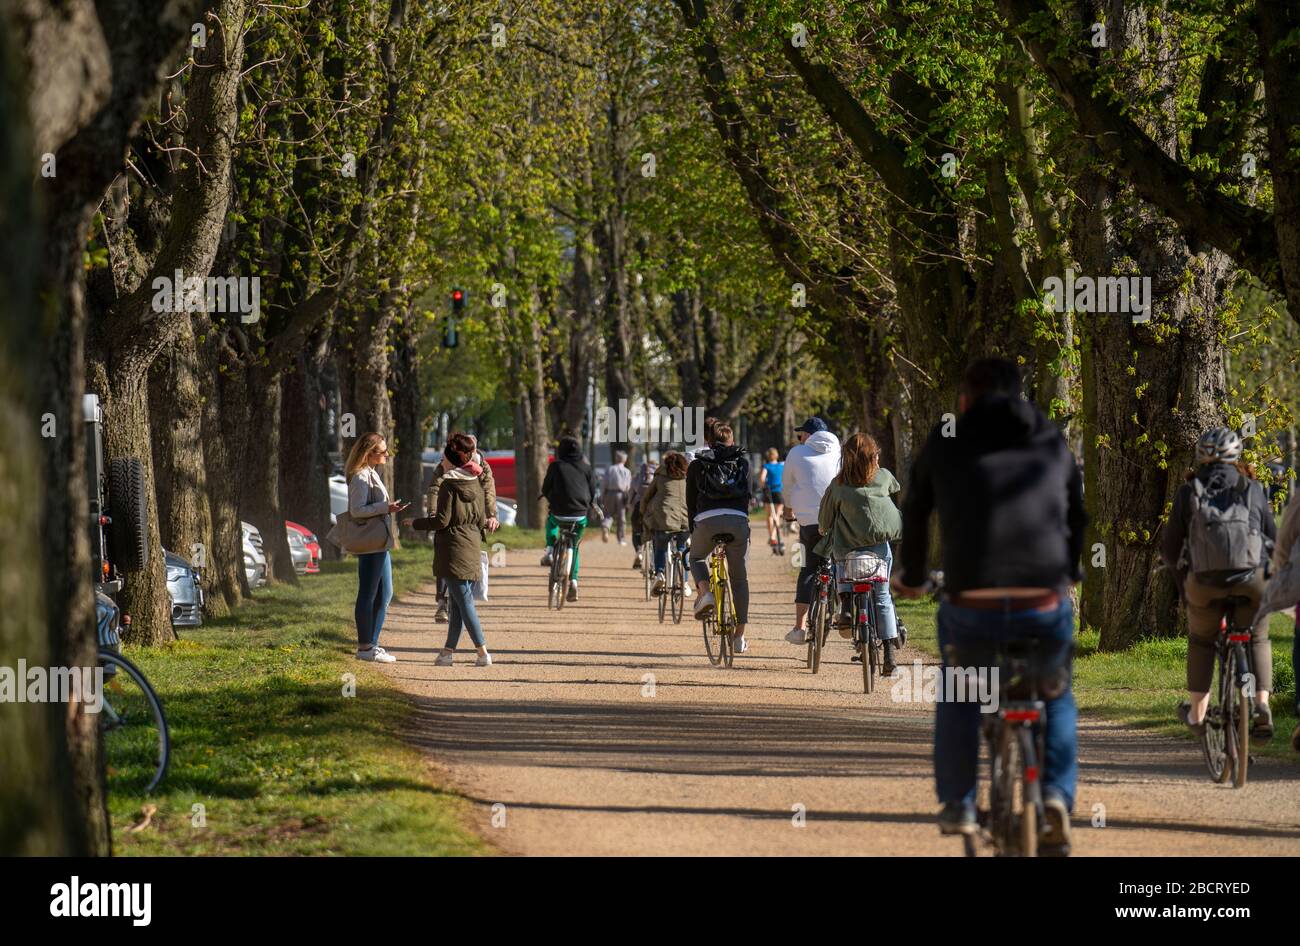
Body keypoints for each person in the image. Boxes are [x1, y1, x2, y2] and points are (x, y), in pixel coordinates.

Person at [893, 358, 1086, 856]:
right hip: (1043, 599)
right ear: (1020, 395)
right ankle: (1055, 799)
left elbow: (915, 509)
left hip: (971, 600)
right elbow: (1077, 511)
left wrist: (912, 577)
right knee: (1056, 693)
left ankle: (957, 801)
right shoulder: (1049, 437)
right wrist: (1071, 572)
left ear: (965, 399)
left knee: (959, 691)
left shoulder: (946, 438)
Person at [1160, 427, 1277, 740]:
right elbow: (1274, 541)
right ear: (1237, 454)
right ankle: (1262, 705)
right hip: (1252, 580)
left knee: (1201, 640)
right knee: (1258, 635)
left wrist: (1183, 586)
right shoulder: (1253, 488)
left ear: (1201, 455)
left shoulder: (1189, 491)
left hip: (1205, 583)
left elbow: (1170, 552)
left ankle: (1197, 715)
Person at [816, 433, 904, 674]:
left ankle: (844, 604)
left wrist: (824, 528)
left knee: (840, 564)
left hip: (848, 550)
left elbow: (825, 520)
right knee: (882, 597)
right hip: (878, 550)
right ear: (873, 456)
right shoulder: (883, 476)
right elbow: (894, 489)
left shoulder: (838, 484)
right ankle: (889, 656)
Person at [407, 433, 492, 666]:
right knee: (456, 604)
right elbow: (481, 516)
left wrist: (416, 523)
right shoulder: (474, 481)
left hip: (453, 550)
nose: (441, 462)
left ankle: (483, 652)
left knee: (464, 604)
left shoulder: (448, 485)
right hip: (472, 546)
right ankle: (447, 653)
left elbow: (441, 521)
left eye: (443, 459)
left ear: (451, 460)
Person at [686, 423, 752, 652]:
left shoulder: (697, 464)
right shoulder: (743, 462)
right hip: (738, 520)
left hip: (706, 520)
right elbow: (749, 495)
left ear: (708, 441)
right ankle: (739, 637)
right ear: (732, 441)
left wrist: (691, 531)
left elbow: (690, 502)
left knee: (695, 558)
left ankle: (705, 593)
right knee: (739, 579)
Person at [345, 432, 405, 663]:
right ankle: (365, 646)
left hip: (379, 541)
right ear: (369, 453)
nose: (387, 454)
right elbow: (356, 510)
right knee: (368, 593)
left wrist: (387, 508)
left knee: (385, 592)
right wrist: (384, 508)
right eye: (382, 451)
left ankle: (372, 643)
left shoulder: (371, 473)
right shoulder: (361, 477)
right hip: (370, 541)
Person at [781, 417, 842, 645]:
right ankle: (844, 611)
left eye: (801, 435)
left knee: (807, 569)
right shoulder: (841, 452)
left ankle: (800, 627)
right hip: (837, 520)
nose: (800, 439)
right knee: (839, 563)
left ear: (808, 435)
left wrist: (788, 510)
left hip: (808, 521)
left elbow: (788, 485)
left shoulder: (797, 453)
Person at [427, 434, 499, 622]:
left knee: (469, 557)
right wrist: (434, 513)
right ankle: (442, 601)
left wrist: (491, 515)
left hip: (471, 516)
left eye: (471, 449)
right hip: (449, 513)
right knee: (444, 556)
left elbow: (488, 490)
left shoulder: (482, 466)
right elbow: (435, 488)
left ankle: (465, 599)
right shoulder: (446, 462)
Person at [541, 435, 601, 602]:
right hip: (580, 516)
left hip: (559, 513)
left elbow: (545, 488)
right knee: (574, 547)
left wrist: (550, 496)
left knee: (551, 522)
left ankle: (550, 551)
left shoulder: (555, 466)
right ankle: (573, 580)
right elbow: (592, 492)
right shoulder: (587, 468)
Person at [641, 451, 690, 595]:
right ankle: (684, 582)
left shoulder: (660, 477)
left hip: (664, 520)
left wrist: (643, 513)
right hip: (685, 521)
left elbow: (646, 497)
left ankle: (660, 573)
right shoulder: (688, 478)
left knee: (660, 547)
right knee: (682, 547)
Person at [628, 456, 658, 570]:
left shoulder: (638, 476)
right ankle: (655, 561)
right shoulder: (659, 474)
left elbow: (631, 492)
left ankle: (639, 551)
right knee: (656, 533)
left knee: (636, 531)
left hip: (638, 506)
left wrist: (629, 504)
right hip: (653, 507)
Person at [601, 450, 632, 545]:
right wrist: (628, 500)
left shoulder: (610, 469)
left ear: (616, 458)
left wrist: (603, 496)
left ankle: (606, 528)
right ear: (625, 460)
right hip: (622, 494)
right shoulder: (627, 471)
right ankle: (621, 539)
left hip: (610, 493)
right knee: (621, 518)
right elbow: (628, 486)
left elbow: (603, 484)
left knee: (608, 514)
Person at [760, 447, 785, 554]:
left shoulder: (766, 466)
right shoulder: (782, 466)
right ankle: (774, 536)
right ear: (776, 455)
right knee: (778, 515)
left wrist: (763, 487)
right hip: (779, 492)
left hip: (769, 492)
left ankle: (772, 537)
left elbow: (762, 478)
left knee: (770, 515)